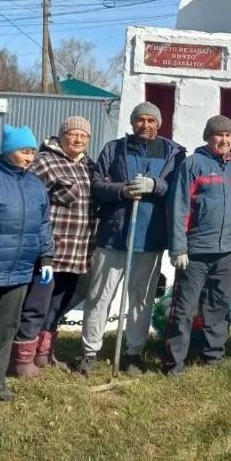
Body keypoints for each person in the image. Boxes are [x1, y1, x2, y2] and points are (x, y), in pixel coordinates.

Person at [79, 102, 185, 377]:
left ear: (158, 123)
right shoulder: (114, 149)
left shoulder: (173, 152)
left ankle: (133, 354)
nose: (145, 125)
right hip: (114, 236)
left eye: (151, 120)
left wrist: (155, 185)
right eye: (140, 120)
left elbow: (177, 187)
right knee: (99, 296)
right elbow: (96, 184)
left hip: (149, 239)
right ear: (132, 121)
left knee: (141, 299)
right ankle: (89, 353)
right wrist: (121, 190)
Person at [11, 117, 95, 377]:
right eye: (73, 134)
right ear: (61, 136)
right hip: (50, 250)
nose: (79, 140)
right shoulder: (44, 162)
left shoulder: (88, 167)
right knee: (37, 304)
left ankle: (44, 353)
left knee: (58, 304)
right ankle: (21, 359)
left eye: (84, 136)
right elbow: (30, 200)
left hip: (78, 251)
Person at [163, 116, 231, 374]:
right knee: (184, 309)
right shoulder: (193, 165)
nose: (223, 140)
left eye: (228, 136)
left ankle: (213, 357)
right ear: (208, 137)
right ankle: (174, 363)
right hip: (196, 251)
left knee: (218, 306)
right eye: (218, 135)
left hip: (225, 253)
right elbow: (179, 207)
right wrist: (179, 248)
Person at [0, 126, 52, 401]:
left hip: (19, 272)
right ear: (7, 151)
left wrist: (46, 257)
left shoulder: (36, 186)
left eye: (32, 152)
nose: (29, 157)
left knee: (5, 328)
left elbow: (43, 226)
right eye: (24, 151)